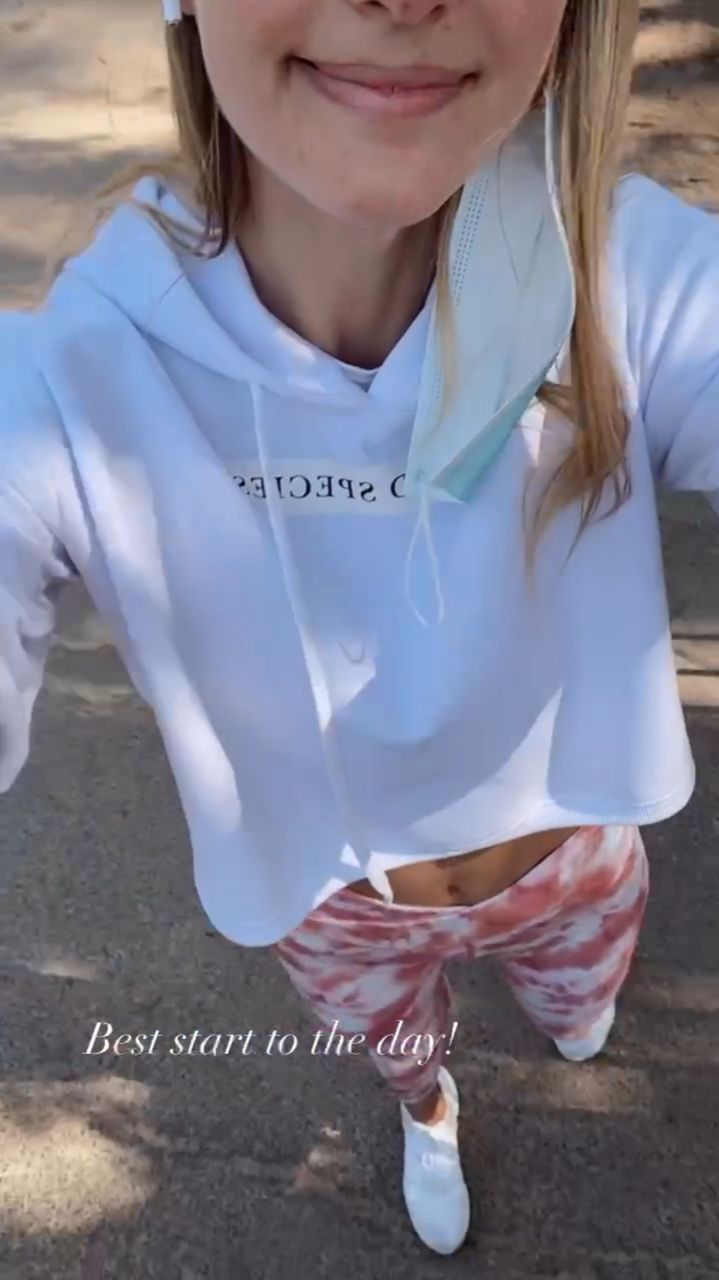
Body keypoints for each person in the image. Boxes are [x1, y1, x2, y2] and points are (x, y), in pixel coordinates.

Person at [1, 0, 717, 1256]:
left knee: (581, 1003)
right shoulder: (68, 378)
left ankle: (571, 1013)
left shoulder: (632, 282)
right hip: (337, 905)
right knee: (400, 1048)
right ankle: (426, 1108)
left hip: (575, 860)